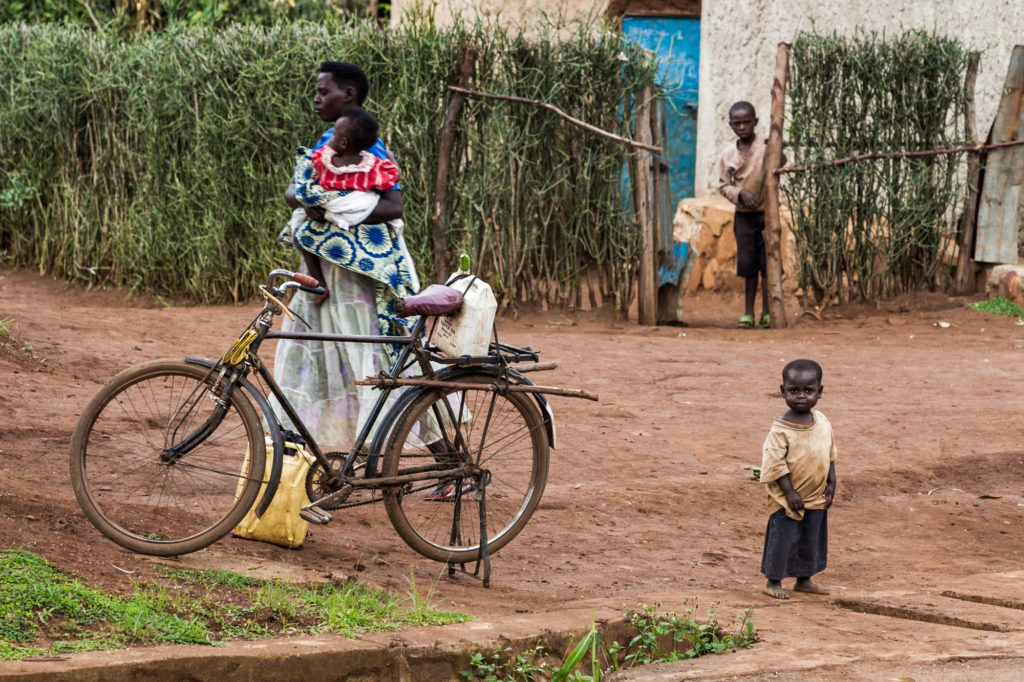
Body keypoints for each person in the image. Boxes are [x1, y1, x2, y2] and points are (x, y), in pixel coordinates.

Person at [273, 61, 417, 451]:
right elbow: (294, 190)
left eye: (324, 91)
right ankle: (289, 451)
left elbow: (393, 205)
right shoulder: (326, 142)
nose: (316, 98)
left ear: (348, 95)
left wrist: (338, 208)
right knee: (303, 357)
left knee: (370, 358)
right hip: (319, 272)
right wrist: (311, 200)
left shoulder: (369, 149)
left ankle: (444, 455)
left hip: (353, 277)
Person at [287, 106, 401, 306]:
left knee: (302, 235)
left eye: (333, 136)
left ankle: (318, 283)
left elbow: (308, 170)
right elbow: (391, 178)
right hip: (356, 214)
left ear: (343, 142)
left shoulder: (326, 160)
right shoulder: (372, 165)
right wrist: (391, 158)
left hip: (331, 209)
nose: (329, 140)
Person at [758, 359, 837, 599]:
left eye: (808, 390)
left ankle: (804, 579)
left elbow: (829, 453)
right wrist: (789, 492)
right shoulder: (780, 429)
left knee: (810, 539)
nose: (801, 396)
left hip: (815, 496)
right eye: (794, 391)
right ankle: (773, 581)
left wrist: (832, 481)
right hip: (787, 498)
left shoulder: (822, 421)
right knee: (783, 537)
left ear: (819, 392)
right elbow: (774, 463)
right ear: (783, 391)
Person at [719, 101, 770, 329]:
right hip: (744, 218)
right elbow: (723, 185)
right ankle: (748, 312)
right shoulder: (728, 154)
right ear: (731, 126)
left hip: (768, 215)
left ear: (755, 123)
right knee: (748, 266)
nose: (742, 127)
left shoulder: (767, 146)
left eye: (746, 122)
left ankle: (768, 311)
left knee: (768, 265)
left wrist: (779, 149)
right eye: (737, 123)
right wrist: (740, 193)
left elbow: (781, 162)